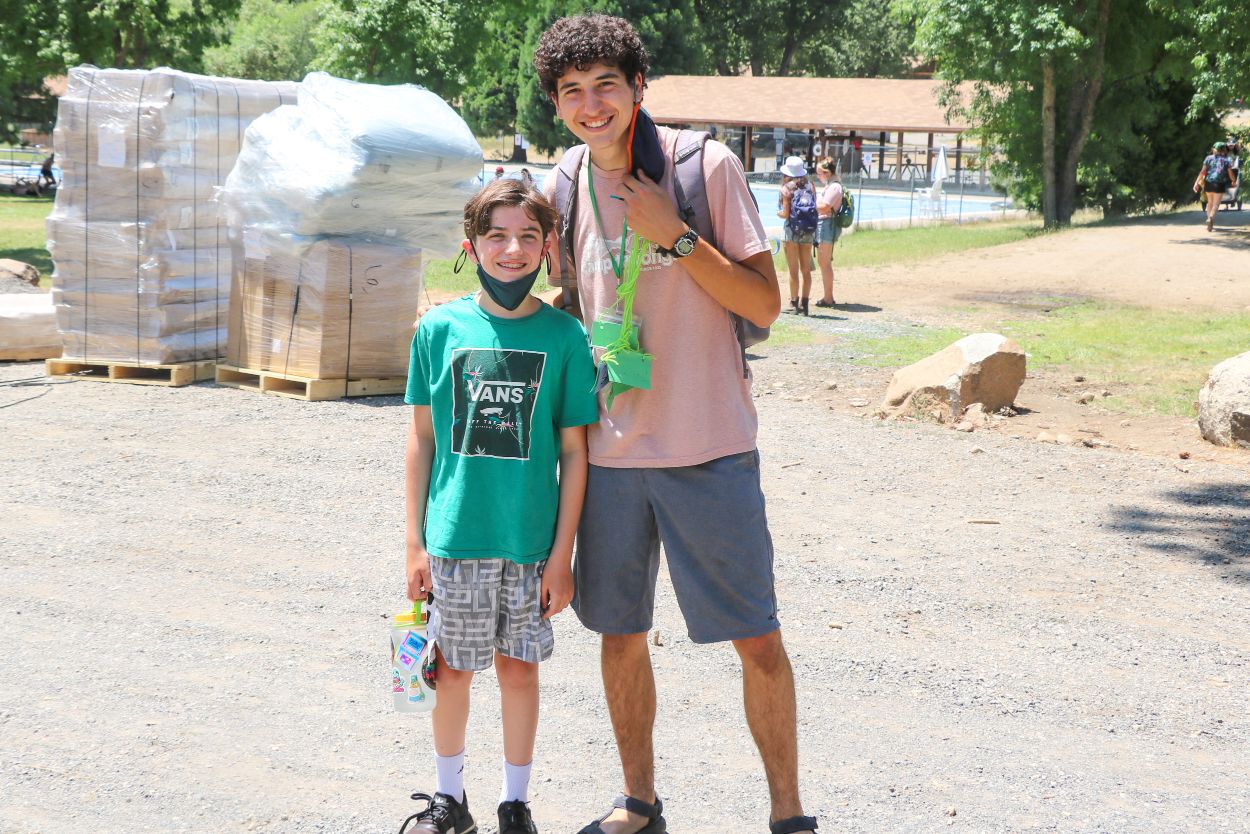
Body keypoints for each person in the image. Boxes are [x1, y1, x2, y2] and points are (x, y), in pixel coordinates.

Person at [535, 14, 817, 834]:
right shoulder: (562, 182)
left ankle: (789, 815)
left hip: (709, 446)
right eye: (573, 91)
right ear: (557, 103)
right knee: (618, 634)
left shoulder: (705, 166)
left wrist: (678, 235)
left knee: (756, 639)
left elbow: (764, 303)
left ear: (638, 88)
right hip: (606, 455)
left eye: (606, 85)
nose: (592, 105)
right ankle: (639, 803)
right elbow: (564, 302)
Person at [400, 178, 600, 834]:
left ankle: (515, 804)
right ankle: (449, 800)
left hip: (530, 543)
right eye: (497, 236)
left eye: (527, 237)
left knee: (519, 673)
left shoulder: (565, 337)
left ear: (547, 248)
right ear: (471, 246)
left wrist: (562, 555)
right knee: (452, 672)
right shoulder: (439, 329)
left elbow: (574, 452)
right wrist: (415, 542)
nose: (512, 250)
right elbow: (422, 440)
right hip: (456, 538)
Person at [777, 156, 817, 316]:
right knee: (806, 270)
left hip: (791, 232)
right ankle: (805, 304)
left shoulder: (786, 188)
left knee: (793, 271)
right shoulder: (810, 186)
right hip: (808, 231)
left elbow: (786, 213)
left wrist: (779, 213)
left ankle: (794, 303)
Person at [813, 159, 843, 308]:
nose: (818, 176)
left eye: (819, 174)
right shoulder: (831, 186)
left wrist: (811, 205)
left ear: (827, 173)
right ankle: (828, 296)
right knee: (824, 262)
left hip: (826, 225)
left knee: (824, 263)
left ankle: (828, 298)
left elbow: (825, 206)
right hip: (825, 225)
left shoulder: (834, 187)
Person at [1194, 140, 1238, 231]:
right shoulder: (1226, 160)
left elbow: (1202, 172)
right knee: (1216, 204)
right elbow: (1230, 173)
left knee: (1210, 202)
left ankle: (1209, 219)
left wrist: (1196, 183)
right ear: (1224, 150)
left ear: (1214, 149)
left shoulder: (1208, 158)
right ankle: (1210, 218)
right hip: (1219, 184)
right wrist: (1234, 181)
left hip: (1208, 183)